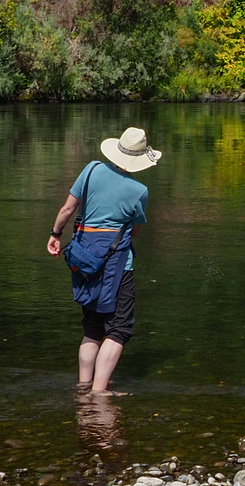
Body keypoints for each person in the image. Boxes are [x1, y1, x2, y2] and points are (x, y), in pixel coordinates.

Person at [46, 126, 161, 394]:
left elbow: (67, 208)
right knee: (119, 329)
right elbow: (135, 230)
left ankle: (83, 386)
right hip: (118, 265)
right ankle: (99, 393)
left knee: (93, 328)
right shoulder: (139, 190)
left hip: (84, 260)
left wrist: (55, 234)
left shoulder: (92, 169)